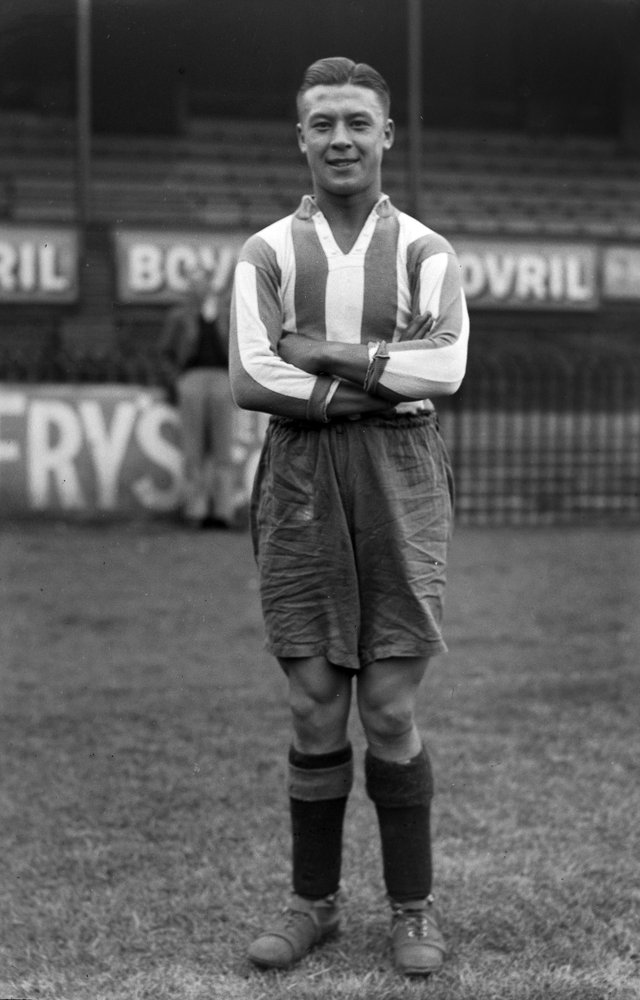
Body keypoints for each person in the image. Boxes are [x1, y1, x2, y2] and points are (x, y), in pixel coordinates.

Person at [230, 56, 469, 976]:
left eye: (357, 123)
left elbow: (443, 372)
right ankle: (313, 905)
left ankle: (413, 910)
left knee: (391, 704)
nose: (340, 138)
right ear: (300, 136)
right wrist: (379, 375)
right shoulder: (265, 253)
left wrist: (318, 352)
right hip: (298, 474)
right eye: (323, 122)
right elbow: (254, 377)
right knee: (313, 701)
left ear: (385, 137)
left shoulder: (425, 250)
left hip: (402, 473)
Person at [160, 263, 234, 527]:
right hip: (191, 378)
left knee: (222, 447)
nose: (198, 287)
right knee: (194, 448)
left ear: (210, 284)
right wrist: (176, 381)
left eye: (201, 281)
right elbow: (166, 353)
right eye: (193, 282)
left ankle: (222, 512)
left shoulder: (226, 313)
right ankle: (196, 510)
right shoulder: (179, 315)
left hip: (222, 378)